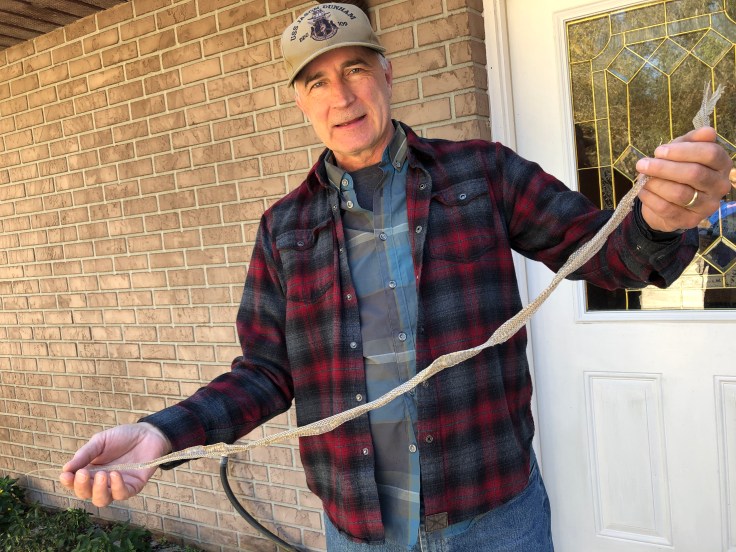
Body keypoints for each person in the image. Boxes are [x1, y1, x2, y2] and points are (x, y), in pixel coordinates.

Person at [60, 3, 734, 551]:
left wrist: (661, 219)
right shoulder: (284, 227)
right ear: (300, 102)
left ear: (386, 73)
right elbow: (265, 373)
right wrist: (162, 434)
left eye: (354, 69)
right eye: (316, 82)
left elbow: (607, 257)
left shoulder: (483, 172)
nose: (341, 96)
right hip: (359, 529)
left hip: (495, 517)